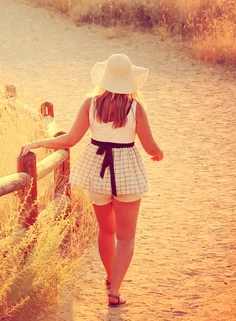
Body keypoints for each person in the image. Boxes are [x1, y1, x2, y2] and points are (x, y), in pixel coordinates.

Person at [19, 53, 163, 307]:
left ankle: (110, 278)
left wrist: (39, 142)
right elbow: (149, 145)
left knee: (106, 230)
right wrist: (158, 153)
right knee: (126, 237)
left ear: (106, 76)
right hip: (126, 173)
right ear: (129, 79)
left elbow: (70, 139)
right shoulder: (135, 108)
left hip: (97, 173)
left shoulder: (90, 103)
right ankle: (115, 291)